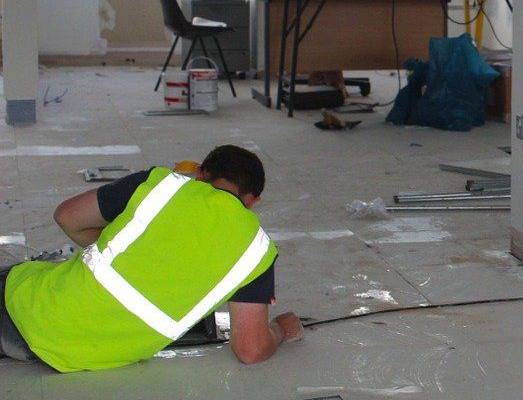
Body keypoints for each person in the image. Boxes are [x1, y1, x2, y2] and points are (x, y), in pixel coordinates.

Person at [0, 145, 303, 372]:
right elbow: (251, 351)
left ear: (200, 174)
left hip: (24, 304)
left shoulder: (161, 184)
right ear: (253, 201)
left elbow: (67, 217)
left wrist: (129, 249)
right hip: (78, 355)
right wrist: (281, 330)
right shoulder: (257, 249)